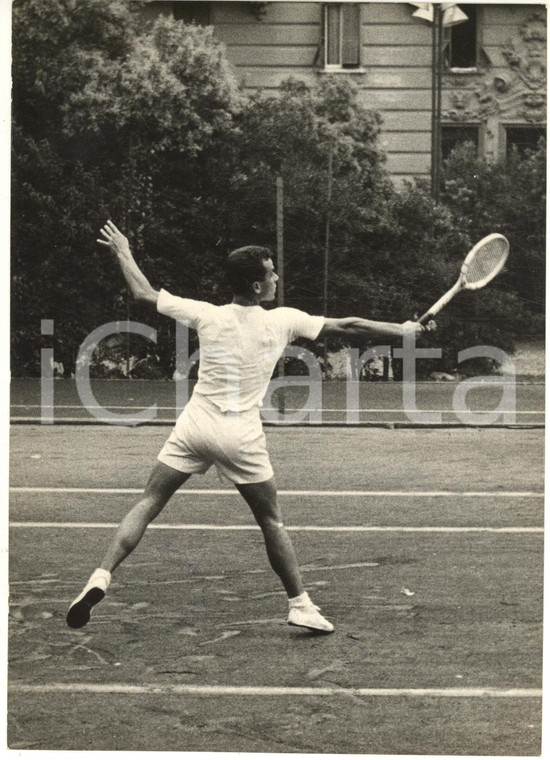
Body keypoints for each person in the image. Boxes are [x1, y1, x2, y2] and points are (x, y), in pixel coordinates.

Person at [67, 220, 433, 634]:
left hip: (194, 425)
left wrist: (124, 251)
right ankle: (300, 604)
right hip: (240, 435)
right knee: (271, 521)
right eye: (271, 272)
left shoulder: (206, 314)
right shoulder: (283, 320)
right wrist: (402, 331)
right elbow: (348, 326)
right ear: (257, 287)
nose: (276, 276)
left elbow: (143, 293)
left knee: (148, 502)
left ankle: (101, 576)